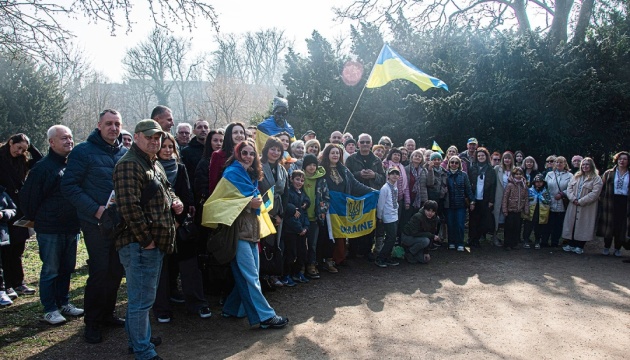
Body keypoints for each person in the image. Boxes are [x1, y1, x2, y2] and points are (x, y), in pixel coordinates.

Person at [114, 119, 184, 359]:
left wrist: (175, 201)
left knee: (142, 299)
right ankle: (143, 350)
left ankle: (139, 341)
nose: (155, 142)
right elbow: (128, 208)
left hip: (152, 243)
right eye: (150, 137)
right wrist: (147, 241)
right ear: (136, 137)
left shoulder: (153, 163)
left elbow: (167, 189)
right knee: (141, 301)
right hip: (140, 245)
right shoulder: (129, 165)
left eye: (158, 138)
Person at [205, 140, 289, 329]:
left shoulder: (250, 175)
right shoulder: (232, 173)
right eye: (244, 153)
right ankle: (265, 317)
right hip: (238, 232)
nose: (249, 157)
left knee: (250, 274)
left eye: (252, 153)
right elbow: (222, 202)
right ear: (237, 154)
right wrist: (248, 203)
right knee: (250, 275)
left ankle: (232, 308)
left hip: (252, 229)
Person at [61, 109, 127, 344]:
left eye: (117, 124)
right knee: (100, 272)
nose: (113, 128)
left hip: (120, 223)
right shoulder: (83, 151)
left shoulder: (124, 153)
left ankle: (108, 314)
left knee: (116, 271)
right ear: (99, 125)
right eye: (108, 123)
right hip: (95, 223)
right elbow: (69, 186)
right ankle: (93, 322)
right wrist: (95, 209)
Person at [20, 125, 83, 325]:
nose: (69, 141)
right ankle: (50, 309)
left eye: (71, 138)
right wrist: (41, 219)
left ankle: (64, 302)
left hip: (71, 227)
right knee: (51, 270)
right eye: (64, 138)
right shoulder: (42, 168)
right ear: (51, 142)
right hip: (50, 229)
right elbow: (29, 199)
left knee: (67, 268)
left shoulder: (71, 165)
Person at [153, 133, 211, 324]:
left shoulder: (180, 168)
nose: (168, 150)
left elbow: (186, 195)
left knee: (189, 266)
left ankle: (197, 302)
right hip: (159, 227)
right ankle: (162, 307)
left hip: (181, 225)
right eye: (164, 146)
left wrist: (177, 221)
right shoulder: (151, 168)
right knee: (162, 269)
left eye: (171, 147)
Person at [0, 133, 43, 300]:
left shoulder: (22, 160)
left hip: (19, 207)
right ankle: (7, 284)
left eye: (24, 150)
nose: (20, 152)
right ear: (11, 142)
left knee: (18, 246)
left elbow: (39, 160)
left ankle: (19, 282)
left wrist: (30, 146)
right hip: (4, 205)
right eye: (18, 148)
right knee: (5, 248)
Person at [320, 144, 374, 267]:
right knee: (328, 233)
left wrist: (372, 191)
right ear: (327, 154)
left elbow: (355, 185)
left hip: (342, 207)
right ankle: (326, 260)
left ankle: (339, 258)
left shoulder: (344, 170)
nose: (335, 155)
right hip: (327, 208)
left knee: (340, 233)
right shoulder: (321, 170)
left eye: (337, 153)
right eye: (332, 153)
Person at [345, 133, 386, 258]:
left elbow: (384, 178)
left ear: (371, 144)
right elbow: (346, 176)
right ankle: (352, 251)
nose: (365, 144)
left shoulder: (377, 160)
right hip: (356, 196)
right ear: (358, 144)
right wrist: (358, 174)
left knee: (369, 224)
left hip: (372, 197)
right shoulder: (351, 159)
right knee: (355, 223)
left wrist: (374, 175)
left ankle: (367, 250)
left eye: (367, 142)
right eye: (362, 142)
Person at [258, 137, 289, 287]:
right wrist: (269, 214)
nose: (275, 152)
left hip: (278, 211)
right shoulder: (259, 166)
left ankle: (273, 274)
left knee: (275, 243)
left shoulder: (282, 170)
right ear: (266, 149)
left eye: (278, 150)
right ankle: (262, 275)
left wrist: (280, 215)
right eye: (273, 149)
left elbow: (285, 194)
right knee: (264, 243)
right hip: (262, 211)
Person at [562, 158, 603, 254]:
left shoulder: (597, 178)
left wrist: (581, 201)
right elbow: (569, 189)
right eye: (583, 164)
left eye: (587, 164)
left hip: (587, 206)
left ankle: (580, 246)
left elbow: (595, 194)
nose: (585, 166)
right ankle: (570, 244)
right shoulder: (576, 176)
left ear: (591, 166)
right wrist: (573, 199)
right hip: (573, 204)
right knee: (571, 224)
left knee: (584, 225)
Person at [302, 154, 330, 277]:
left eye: (314, 165)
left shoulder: (321, 179)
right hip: (301, 216)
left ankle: (311, 264)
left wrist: (322, 210)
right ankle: (300, 265)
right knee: (300, 244)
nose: (312, 167)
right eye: (309, 165)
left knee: (313, 243)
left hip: (315, 216)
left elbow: (326, 197)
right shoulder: (300, 177)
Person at [597, 151, 629, 257]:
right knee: (609, 224)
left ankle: (617, 248)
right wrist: (602, 199)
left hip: (625, 202)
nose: (622, 161)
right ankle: (606, 247)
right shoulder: (609, 173)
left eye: (624, 159)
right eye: (620, 159)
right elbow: (601, 187)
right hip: (610, 201)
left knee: (621, 226)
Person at [282, 170, 310, 284]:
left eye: (302, 180)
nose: (299, 182)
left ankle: (297, 273)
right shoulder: (289, 194)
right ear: (291, 179)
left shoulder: (302, 194)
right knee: (290, 253)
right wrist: (299, 228)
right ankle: (286, 275)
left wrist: (306, 227)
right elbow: (290, 217)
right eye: (297, 179)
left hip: (301, 230)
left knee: (301, 252)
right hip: (291, 231)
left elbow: (304, 213)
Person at [206, 122, 247, 197]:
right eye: (235, 132)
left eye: (242, 132)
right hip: (226, 198)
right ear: (229, 135)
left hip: (247, 198)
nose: (239, 135)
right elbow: (214, 182)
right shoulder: (218, 155)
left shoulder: (249, 154)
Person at [467, 147, 497, 248]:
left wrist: (491, 200)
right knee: (473, 220)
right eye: (479, 156)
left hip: (485, 199)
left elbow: (493, 186)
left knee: (483, 221)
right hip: (474, 199)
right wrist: (471, 199)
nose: (480, 157)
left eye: (482, 155)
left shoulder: (490, 170)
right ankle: (472, 239)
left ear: (486, 156)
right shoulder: (472, 168)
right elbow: (468, 184)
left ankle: (478, 238)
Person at [445, 156, 475, 251]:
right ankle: (451, 242)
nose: (454, 164)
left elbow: (468, 189)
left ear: (459, 164)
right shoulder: (445, 174)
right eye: (452, 162)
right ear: (449, 163)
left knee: (460, 224)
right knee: (450, 224)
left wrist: (472, 201)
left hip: (461, 204)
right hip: (449, 204)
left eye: (456, 162)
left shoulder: (464, 175)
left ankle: (460, 242)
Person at [375, 167, 402, 268]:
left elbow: (395, 201)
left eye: (396, 174)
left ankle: (387, 257)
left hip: (394, 215)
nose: (394, 175)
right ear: (388, 175)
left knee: (391, 237)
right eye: (392, 173)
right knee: (391, 237)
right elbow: (381, 203)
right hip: (387, 216)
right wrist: (379, 216)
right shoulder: (385, 188)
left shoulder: (394, 187)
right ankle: (380, 258)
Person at [543, 156, 572, 247]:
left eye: (561, 162)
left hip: (562, 202)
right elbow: (545, 187)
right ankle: (544, 241)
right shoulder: (549, 174)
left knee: (558, 224)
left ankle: (555, 242)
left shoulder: (570, 176)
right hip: (549, 202)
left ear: (565, 164)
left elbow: (571, 189)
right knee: (548, 223)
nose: (559, 164)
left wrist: (563, 194)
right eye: (557, 162)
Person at [501, 167, 528, 250]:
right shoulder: (510, 185)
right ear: (513, 175)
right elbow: (505, 197)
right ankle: (507, 244)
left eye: (520, 174)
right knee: (509, 228)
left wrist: (526, 209)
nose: (518, 176)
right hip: (510, 210)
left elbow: (526, 198)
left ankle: (514, 243)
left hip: (519, 210)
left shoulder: (524, 185)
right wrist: (504, 209)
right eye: (516, 174)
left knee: (517, 227)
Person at [522, 174, 551, 249]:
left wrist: (542, 198)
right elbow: (525, 200)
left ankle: (537, 241)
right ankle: (526, 240)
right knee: (527, 227)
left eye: (540, 182)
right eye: (537, 182)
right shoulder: (530, 190)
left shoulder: (545, 192)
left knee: (539, 228)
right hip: (530, 212)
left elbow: (549, 201)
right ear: (534, 182)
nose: (538, 183)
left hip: (540, 212)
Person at [492, 151, 515, 247]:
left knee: (509, 219)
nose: (507, 160)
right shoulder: (498, 168)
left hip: (511, 198)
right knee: (497, 218)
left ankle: (509, 240)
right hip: (499, 196)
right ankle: (494, 237)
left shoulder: (515, 170)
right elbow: (493, 183)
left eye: (509, 158)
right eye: (505, 158)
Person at [0, 184, 17, 306]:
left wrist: (3, 214)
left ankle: (3, 291)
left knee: (3, 265)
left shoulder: (2, 192)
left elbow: (13, 210)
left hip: (2, 236)